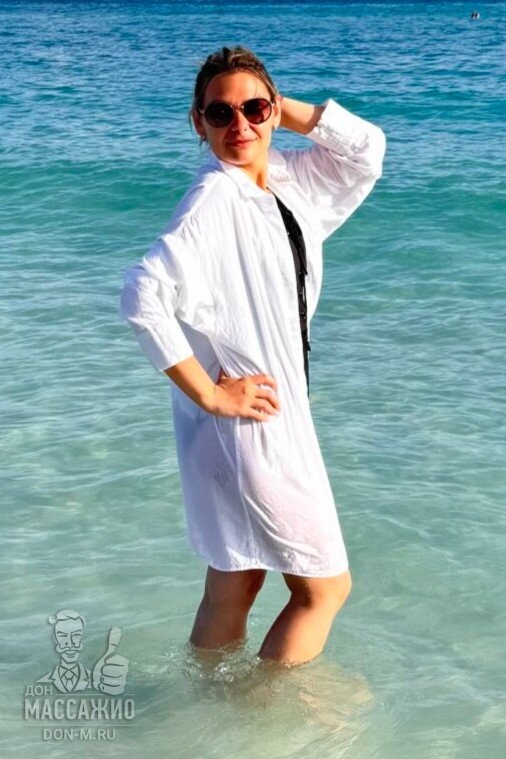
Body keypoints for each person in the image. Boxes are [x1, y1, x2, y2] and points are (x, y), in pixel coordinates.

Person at [120, 46, 385, 666]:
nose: (238, 124)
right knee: (324, 590)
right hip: (253, 426)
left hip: (240, 425)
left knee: (236, 578)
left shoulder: (287, 181)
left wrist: (283, 111)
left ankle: (205, 704)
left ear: (273, 110)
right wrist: (211, 393)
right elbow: (142, 295)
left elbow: (366, 150)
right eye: (220, 113)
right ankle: (267, 712)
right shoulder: (214, 199)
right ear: (198, 122)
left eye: (254, 109)